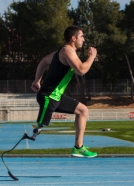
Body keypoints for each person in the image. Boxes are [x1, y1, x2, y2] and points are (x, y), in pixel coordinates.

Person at [31, 25, 97, 158]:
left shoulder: (63, 51)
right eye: (82, 37)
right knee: (38, 128)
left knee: (83, 110)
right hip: (49, 96)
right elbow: (81, 70)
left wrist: (37, 80)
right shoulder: (67, 50)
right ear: (73, 38)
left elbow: (44, 61)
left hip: (57, 97)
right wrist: (91, 57)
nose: (83, 40)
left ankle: (78, 147)